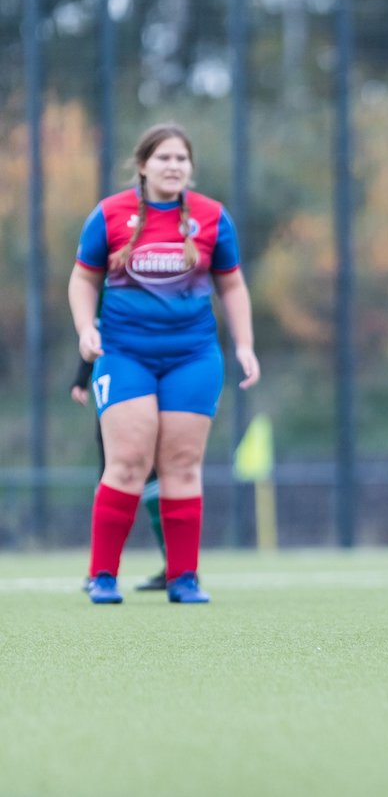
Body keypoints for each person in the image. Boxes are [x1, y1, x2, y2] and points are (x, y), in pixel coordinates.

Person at [68, 123, 260, 605]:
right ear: (143, 165)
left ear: (190, 168)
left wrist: (244, 346)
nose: (173, 166)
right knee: (129, 462)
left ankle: (184, 578)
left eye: (181, 158)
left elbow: (232, 285)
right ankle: (103, 576)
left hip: (192, 356)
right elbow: (83, 280)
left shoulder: (213, 217)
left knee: (182, 464)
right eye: (164, 158)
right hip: (125, 353)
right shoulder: (109, 215)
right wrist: (85, 329)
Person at [72, 356, 166, 592]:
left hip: (149, 382)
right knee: (112, 471)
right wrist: (81, 378)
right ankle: (102, 571)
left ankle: (179, 568)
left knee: (154, 471)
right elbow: (95, 332)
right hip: (116, 380)